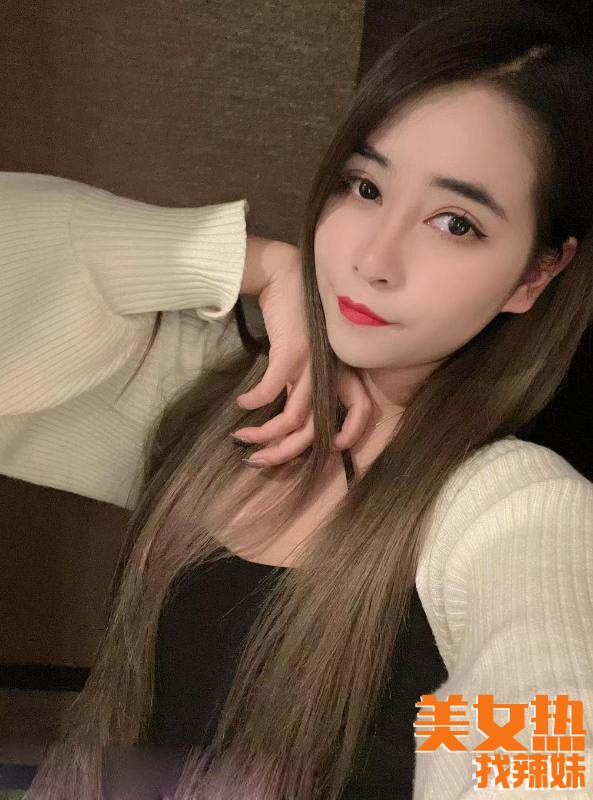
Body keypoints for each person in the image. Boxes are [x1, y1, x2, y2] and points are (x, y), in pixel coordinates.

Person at [11, 1, 593, 798]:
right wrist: (252, 262)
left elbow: (549, 748)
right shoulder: (215, 402)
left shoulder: (512, 510)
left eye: (454, 223)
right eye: (364, 186)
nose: (373, 260)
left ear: (533, 275)